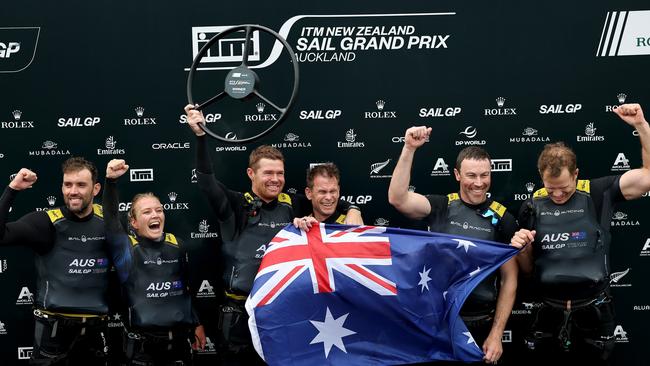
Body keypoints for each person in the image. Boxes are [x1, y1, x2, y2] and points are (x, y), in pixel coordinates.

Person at [183, 104, 361, 364]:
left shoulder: (294, 203)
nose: (275, 179)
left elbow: (326, 199)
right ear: (251, 173)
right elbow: (206, 179)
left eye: (280, 173)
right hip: (239, 316)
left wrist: (351, 208)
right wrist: (200, 137)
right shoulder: (234, 204)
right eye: (268, 173)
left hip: (284, 313)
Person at [510, 103, 650, 365]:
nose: (558, 195)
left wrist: (641, 126)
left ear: (576, 174)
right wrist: (522, 250)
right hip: (546, 312)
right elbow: (527, 270)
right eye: (551, 189)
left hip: (594, 312)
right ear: (541, 178)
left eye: (563, 188)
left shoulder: (598, 193)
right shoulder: (531, 206)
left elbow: (648, 176)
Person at [388, 127, 518, 364]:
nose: (479, 183)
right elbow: (398, 198)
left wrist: (497, 333)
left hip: (482, 325)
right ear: (457, 175)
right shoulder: (442, 206)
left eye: (484, 175)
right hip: (439, 323)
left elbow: (510, 279)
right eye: (471, 176)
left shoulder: (502, 218)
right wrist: (409, 149)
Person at [0, 157, 110, 365]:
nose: (73, 191)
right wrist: (12, 189)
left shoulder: (109, 222)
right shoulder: (46, 222)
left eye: (81, 185)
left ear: (95, 189)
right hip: (53, 331)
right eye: (68, 184)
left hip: (96, 331)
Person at [102, 159, 206, 365]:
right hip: (142, 349)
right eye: (147, 212)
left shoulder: (177, 245)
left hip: (179, 345)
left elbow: (187, 290)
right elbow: (111, 218)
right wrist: (111, 182)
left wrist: (197, 323)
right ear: (133, 222)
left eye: (159, 210)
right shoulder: (126, 249)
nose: (155, 215)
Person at [293, 163, 363, 230]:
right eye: (322, 192)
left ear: (338, 191)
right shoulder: (301, 225)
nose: (328, 197)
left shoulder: (351, 225)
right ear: (309, 193)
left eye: (333, 191)